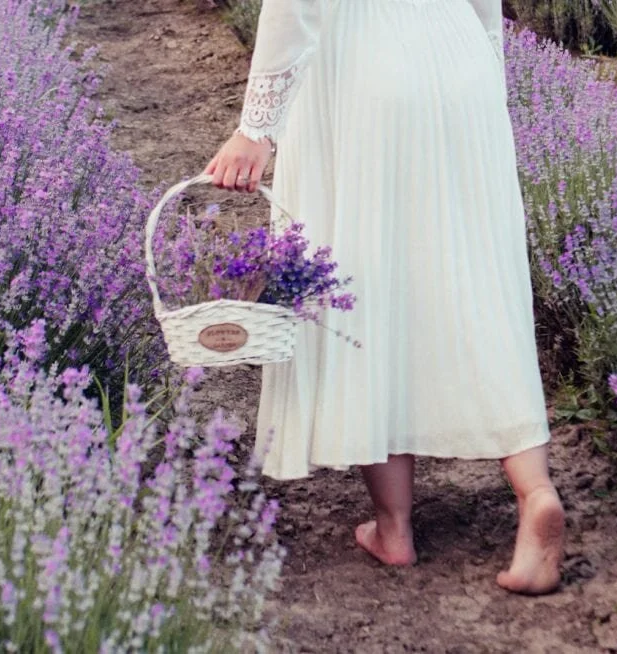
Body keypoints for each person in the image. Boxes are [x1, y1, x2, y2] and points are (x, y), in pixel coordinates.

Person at [203, 0, 565, 595]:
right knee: (480, 287)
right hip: (460, 61)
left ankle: (395, 529)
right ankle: (536, 493)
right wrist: (482, 76)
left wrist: (256, 129)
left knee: (363, 280)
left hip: (361, 73)